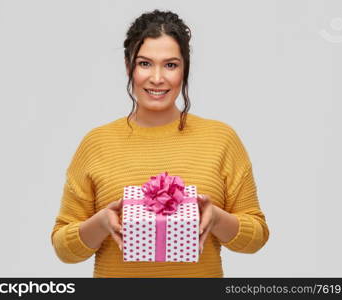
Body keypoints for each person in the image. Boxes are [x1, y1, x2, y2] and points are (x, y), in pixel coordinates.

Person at [50, 9, 269, 278]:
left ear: (184, 68)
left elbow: (256, 237)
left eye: (170, 65)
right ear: (128, 65)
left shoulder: (221, 139)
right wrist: (100, 224)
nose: (157, 78)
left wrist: (218, 219)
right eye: (144, 63)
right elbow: (63, 248)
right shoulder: (97, 143)